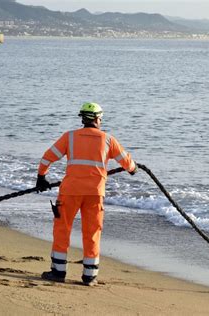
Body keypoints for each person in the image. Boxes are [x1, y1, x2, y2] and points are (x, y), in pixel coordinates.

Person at [36, 102, 137, 286]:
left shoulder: (70, 137)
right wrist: (133, 169)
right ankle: (89, 276)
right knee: (92, 233)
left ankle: (58, 272)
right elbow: (128, 163)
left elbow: (47, 157)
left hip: (70, 192)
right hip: (95, 194)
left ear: (82, 118)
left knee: (62, 229)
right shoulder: (108, 140)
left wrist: (41, 177)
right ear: (99, 119)